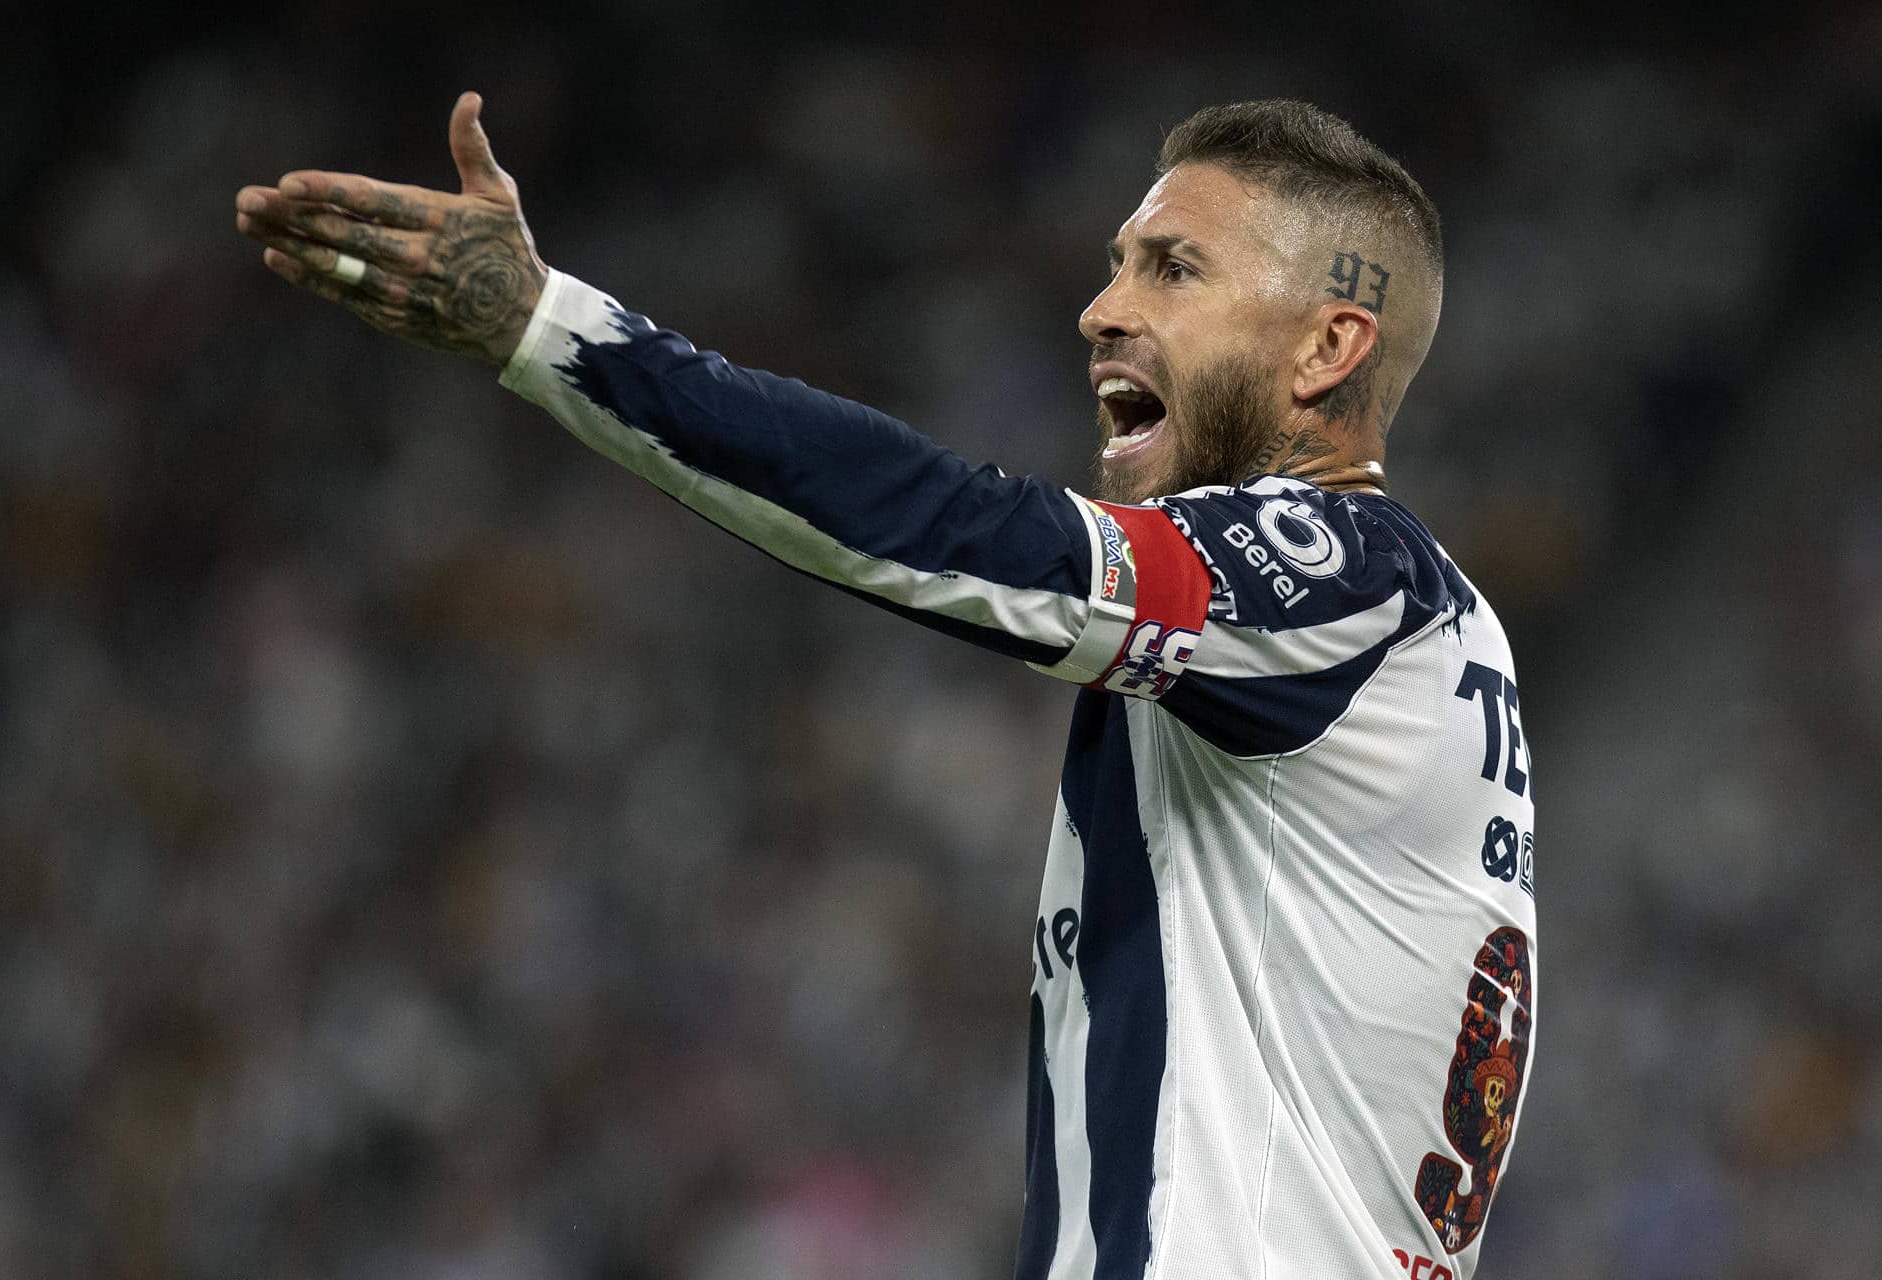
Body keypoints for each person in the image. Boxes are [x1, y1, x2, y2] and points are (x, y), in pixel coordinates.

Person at [234, 91, 1538, 1280]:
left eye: (1173, 267)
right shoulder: (1417, 636)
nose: (1103, 308)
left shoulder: (1345, 577)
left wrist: (553, 330)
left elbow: (958, 533)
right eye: (1117, 262)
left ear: (1327, 349)